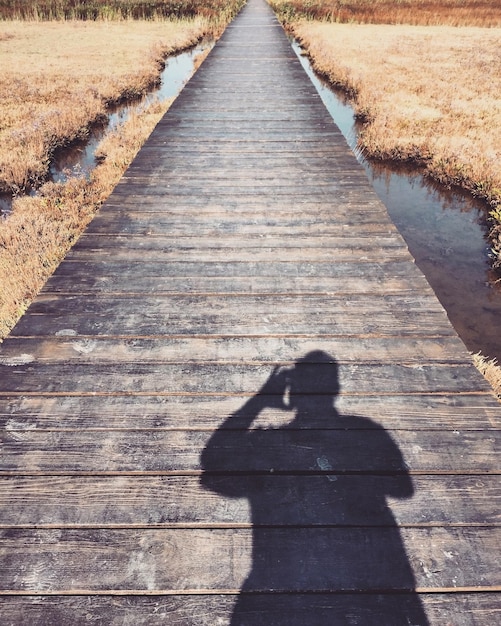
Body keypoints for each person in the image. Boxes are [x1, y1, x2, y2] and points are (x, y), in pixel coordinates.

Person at [201, 351, 429, 625]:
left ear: (292, 394)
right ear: (335, 389)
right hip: (370, 572)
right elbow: (403, 488)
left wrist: (261, 401)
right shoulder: (363, 429)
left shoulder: (269, 444)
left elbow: (213, 461)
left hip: (281, 580)